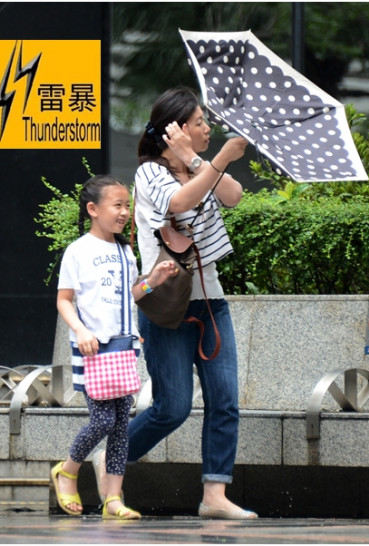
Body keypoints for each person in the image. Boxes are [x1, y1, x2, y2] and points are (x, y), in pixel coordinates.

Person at [95, 86, 257, 519]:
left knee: (225, 401)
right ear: (176, 130)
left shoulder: (199, 167)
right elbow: (179, 202)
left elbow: (233, 196)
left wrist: (203, 160)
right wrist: (218, 159)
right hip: (167, 306)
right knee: (173, 408)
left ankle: (214, 496)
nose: (208, 129)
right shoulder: (149, 174)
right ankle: (109, 463)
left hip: (211, 302)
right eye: (200, 122)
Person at [53, 175, 177, 519]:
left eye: (127, 205)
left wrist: (153, 282)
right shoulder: (78, 251)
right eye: (117, 205)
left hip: (123, 346)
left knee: (121, 424)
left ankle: (113, 498)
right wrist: (80, 330)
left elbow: (131, 295)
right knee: (103, 420)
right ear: (93, 209)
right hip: (93, 348)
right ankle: (68, 471)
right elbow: (64, 301)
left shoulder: (125, 250)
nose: (124, 212)